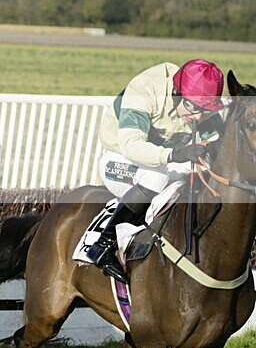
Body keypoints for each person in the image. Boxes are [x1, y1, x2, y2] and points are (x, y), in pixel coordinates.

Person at [91, 58, 225, 284]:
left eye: (205, 110)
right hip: (119, 158)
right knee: (156, 177)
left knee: (197, 174)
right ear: (176, 92)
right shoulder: (145, 89)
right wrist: (174, 155)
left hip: (161, 161)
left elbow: (219, 148)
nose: (198, 117)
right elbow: (131, 146)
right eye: (193, 108)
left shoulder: (198, 105)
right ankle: (103, 245)